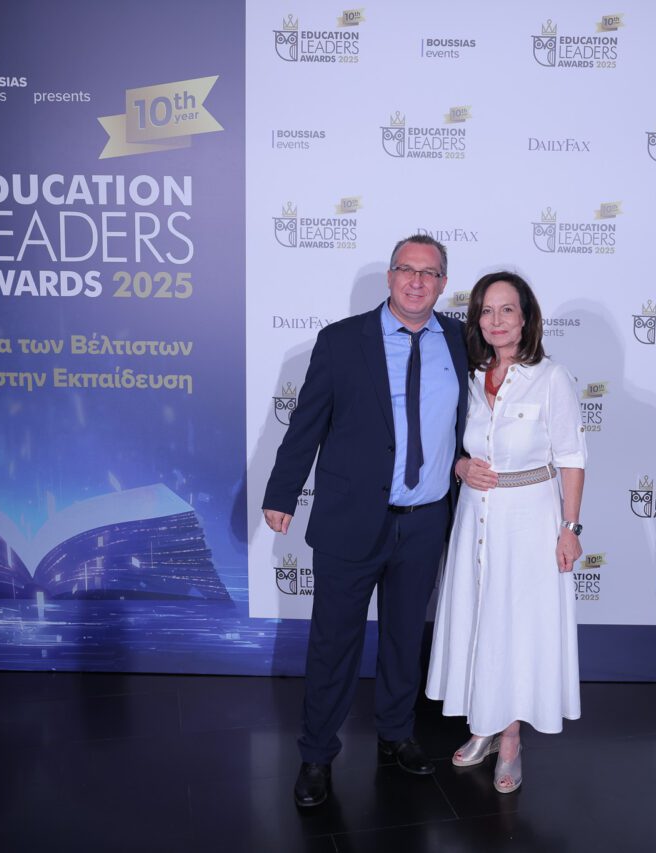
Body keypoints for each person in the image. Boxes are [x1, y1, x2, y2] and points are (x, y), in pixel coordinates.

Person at [262, 234, 468, 808]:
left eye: (429, 273)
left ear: (443, 284)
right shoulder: (341, 340)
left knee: (404, 639)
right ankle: (316, 754)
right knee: (334, 644)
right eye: (406, 269)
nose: (417, 281)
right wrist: (282, 492)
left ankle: (396, 734)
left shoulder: (459, 339)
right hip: (350, 518)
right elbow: (307, 423)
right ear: (390, 276)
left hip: (425, 521)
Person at [425, 271, 586, 794]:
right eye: (486, 311)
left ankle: (510, 738)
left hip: (530, 522)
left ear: (526, 318)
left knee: (516, 628)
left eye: (506, 310)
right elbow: (453, 445)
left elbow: (572, 457)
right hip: (475, 518)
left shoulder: (551, 378)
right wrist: (459, 467)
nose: (495, 321)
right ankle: (483, 725)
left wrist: (569, 528)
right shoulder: (470, 376)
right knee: (478, 621)